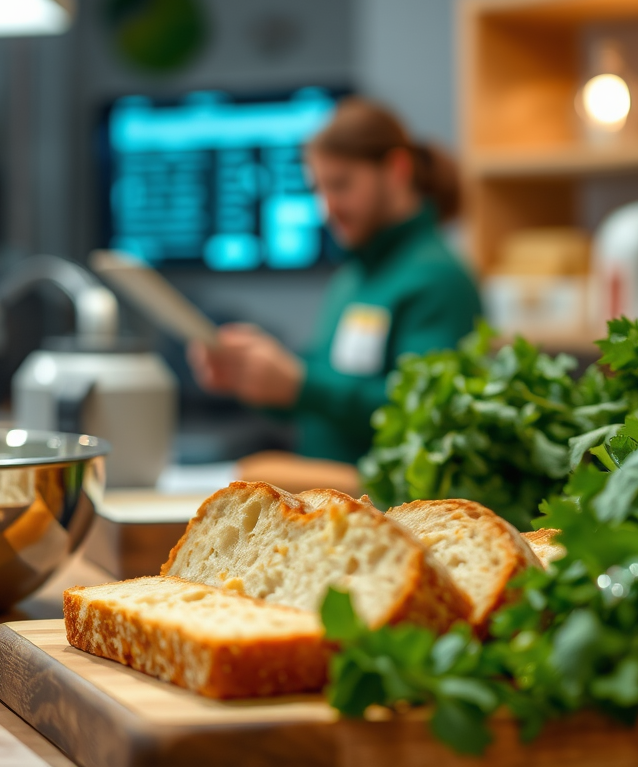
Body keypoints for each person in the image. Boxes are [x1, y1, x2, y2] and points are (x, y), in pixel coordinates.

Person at [188, 97, 481, 485]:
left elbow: (423, 416)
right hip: (333, 512)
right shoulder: (354, 276)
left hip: (391, 514)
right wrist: (256, 377)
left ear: (396, 169)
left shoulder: (439, 278)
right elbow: (330, 391)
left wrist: (301, 386)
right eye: (319, 189)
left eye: (341, 185)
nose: (327, 209)